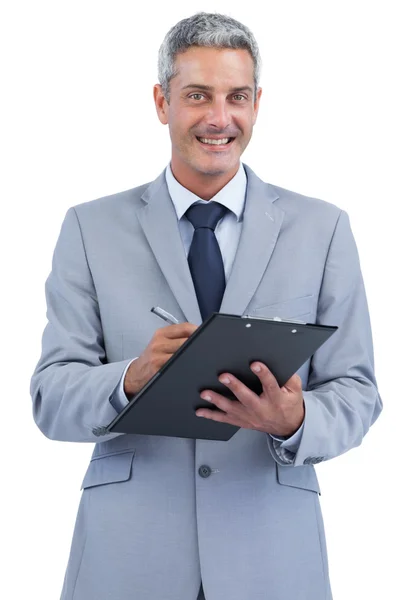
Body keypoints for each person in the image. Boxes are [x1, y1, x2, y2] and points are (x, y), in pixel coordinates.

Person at [30, 11, 382, 600]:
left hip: (270, 555)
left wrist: (293, 422)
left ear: (257, 103)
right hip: (128, 555)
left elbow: (358, 392)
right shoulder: (90, 228)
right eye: (197, 95)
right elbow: (50, 397)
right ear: (162, 102)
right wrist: (130, 379)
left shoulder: (322, 229)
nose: (220, 118)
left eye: (236, 96)